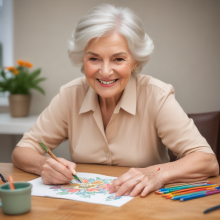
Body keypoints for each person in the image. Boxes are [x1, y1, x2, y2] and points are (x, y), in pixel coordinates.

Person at [12, 4, 219, 198]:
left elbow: (207, 161)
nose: (105, 71)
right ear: (82, 59)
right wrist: (43, 165)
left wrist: (157, 174)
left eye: (118, 59)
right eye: (94, 58)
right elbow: (23, 150)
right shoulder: (70, 95)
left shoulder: (156, 95)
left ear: (135, 60)